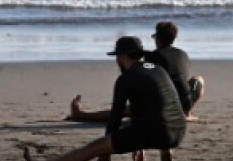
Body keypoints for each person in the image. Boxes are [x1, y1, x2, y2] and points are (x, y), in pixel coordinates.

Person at [27, 36, 187, 161]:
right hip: (178, 132)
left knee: (95, 146)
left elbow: (115, 117)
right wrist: (138, 144)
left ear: (123, 57)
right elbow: (154, 107)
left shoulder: (125, 79)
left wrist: (105, 151)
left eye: (117, 57)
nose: (117, 61)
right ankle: (166, 156)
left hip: (156, 132)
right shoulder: (159, 70)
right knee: (160, 112)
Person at [68, 21, 204, 123]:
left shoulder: (153, 57)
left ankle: (81, 115)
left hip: (164, 105)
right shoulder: (183, 54)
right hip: (185, 102)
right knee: (198, 79)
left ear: (158, 39)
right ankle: (186, 113)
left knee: (127, 109)